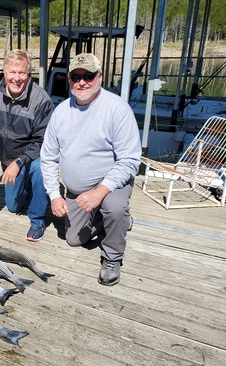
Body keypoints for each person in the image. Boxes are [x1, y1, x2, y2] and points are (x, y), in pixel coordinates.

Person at [40, 53, 141, 285]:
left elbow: (130, 160)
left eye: (88, 76)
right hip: (77, 190)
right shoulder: (61, 111)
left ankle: (112, 256)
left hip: (110, 183)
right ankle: (109, 221)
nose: (82, 82)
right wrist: (55, 196)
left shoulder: (117, 109)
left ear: (100, 77)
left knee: (114, 208)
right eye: (76, 77)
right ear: (68, 80)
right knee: (74, 239)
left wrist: (99, 193)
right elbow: (48, 158)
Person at [0, 49, 55, 242]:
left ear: (28, 74)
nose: (16, 78)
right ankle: (32, 189)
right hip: (9, 159)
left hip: (32, 156)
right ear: (4, 73)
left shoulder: (41, 100)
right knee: (13, 206)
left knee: (39, 169)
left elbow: (43, 141)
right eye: (12, 72)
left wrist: (19, 162)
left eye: (21, 73)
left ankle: (37, 220)